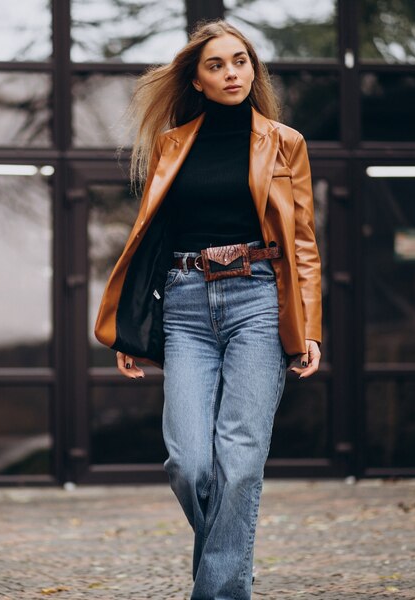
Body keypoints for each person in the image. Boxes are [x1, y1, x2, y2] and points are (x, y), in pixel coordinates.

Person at [93, 20, 323, 600]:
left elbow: (302, 243)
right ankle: (229, 562)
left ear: (253, 69)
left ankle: (219, 592)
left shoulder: (285, 142)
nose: (232, 74)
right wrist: (128, 327)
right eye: (216, 65)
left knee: (240, 463)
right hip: (186, 303)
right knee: (189, 463)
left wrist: (310, 328)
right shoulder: (171, 145)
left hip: (257, 300)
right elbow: (149, 239)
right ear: (195, 79)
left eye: (240, 61)